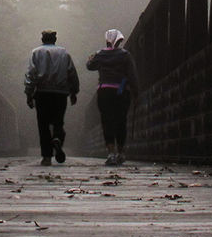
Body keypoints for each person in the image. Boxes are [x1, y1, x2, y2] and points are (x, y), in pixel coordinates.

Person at [24, 29, 79, 165]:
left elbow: (31, 74)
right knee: (58, 121)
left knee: (43, 124)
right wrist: (73, 92)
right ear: (55, 39)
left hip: (42, 92)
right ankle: (57, 138)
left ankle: (47, 157)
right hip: (60, 93)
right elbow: (72, 73)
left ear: (42, 39)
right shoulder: (64, 53)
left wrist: (29, 94)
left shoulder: (36, 53)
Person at [86, 28, 136, 165]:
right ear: (119, 40)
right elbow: (132, 75)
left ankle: (111, 153)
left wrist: (91, 58)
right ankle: (121, 152)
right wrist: (136, 92)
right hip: (121, 90)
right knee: (121, 121)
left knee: (106, 121)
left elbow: (90, 66)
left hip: (104, 91)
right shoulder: (125, 55)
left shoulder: (100, 54)